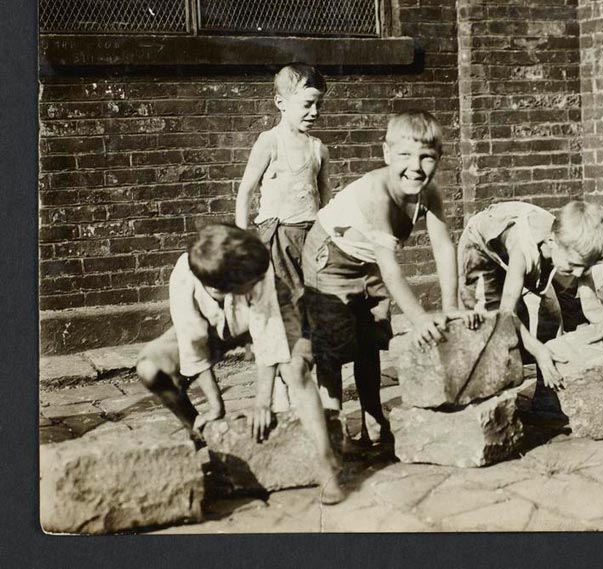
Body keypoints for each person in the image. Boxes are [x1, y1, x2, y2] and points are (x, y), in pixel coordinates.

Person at [302, 110, 477, 453]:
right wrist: (419, 318)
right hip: (331, 259)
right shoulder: (379, 195)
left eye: (427, 157)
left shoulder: (429, 194)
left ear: (439, 158)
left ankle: (373, 417)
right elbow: (391, 268)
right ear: (385, 154)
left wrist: (451, 306)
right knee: (333, 344)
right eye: (404, 156)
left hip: (369, 262)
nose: (416, 166)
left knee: (371, 337)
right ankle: (333, 430)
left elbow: (443, 246)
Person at [135, 224, 344, 504]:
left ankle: (326, 461)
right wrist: (215, 406)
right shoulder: (186, 277)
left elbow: (266, 333)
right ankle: (199, 433)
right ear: (228, 287)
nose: (259, 280)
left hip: (271, 315)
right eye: (251, 282)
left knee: (295, 370)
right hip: (215, 326)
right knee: (150, 368)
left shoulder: (255, 265)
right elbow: (192, 343)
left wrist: (263, 402)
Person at [235, 64, 331, 376]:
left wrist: (328, 234)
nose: (314, 111)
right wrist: (242, 241)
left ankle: (304, 372)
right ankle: (278, 381)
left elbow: (324, 199)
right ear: (281, 103)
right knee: (278, 307)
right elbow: (246, 192)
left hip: (311, 237)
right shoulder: (270, 142)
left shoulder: (318, 148)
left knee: (310, 304)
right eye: (307, 104)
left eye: (319, 104)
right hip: (276, 237)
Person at [457, 200, 603, 390]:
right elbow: (507, 313)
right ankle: (481, 392)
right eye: (574, 266)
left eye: (585, 268)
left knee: (551, 315)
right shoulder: (523, 251)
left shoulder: (575, 248)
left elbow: (590, 302)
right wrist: (539, 351)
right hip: (482, 251)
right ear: (552, 242)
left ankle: (546, 396)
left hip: (524, 256)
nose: (580, 274)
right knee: (490, 329)